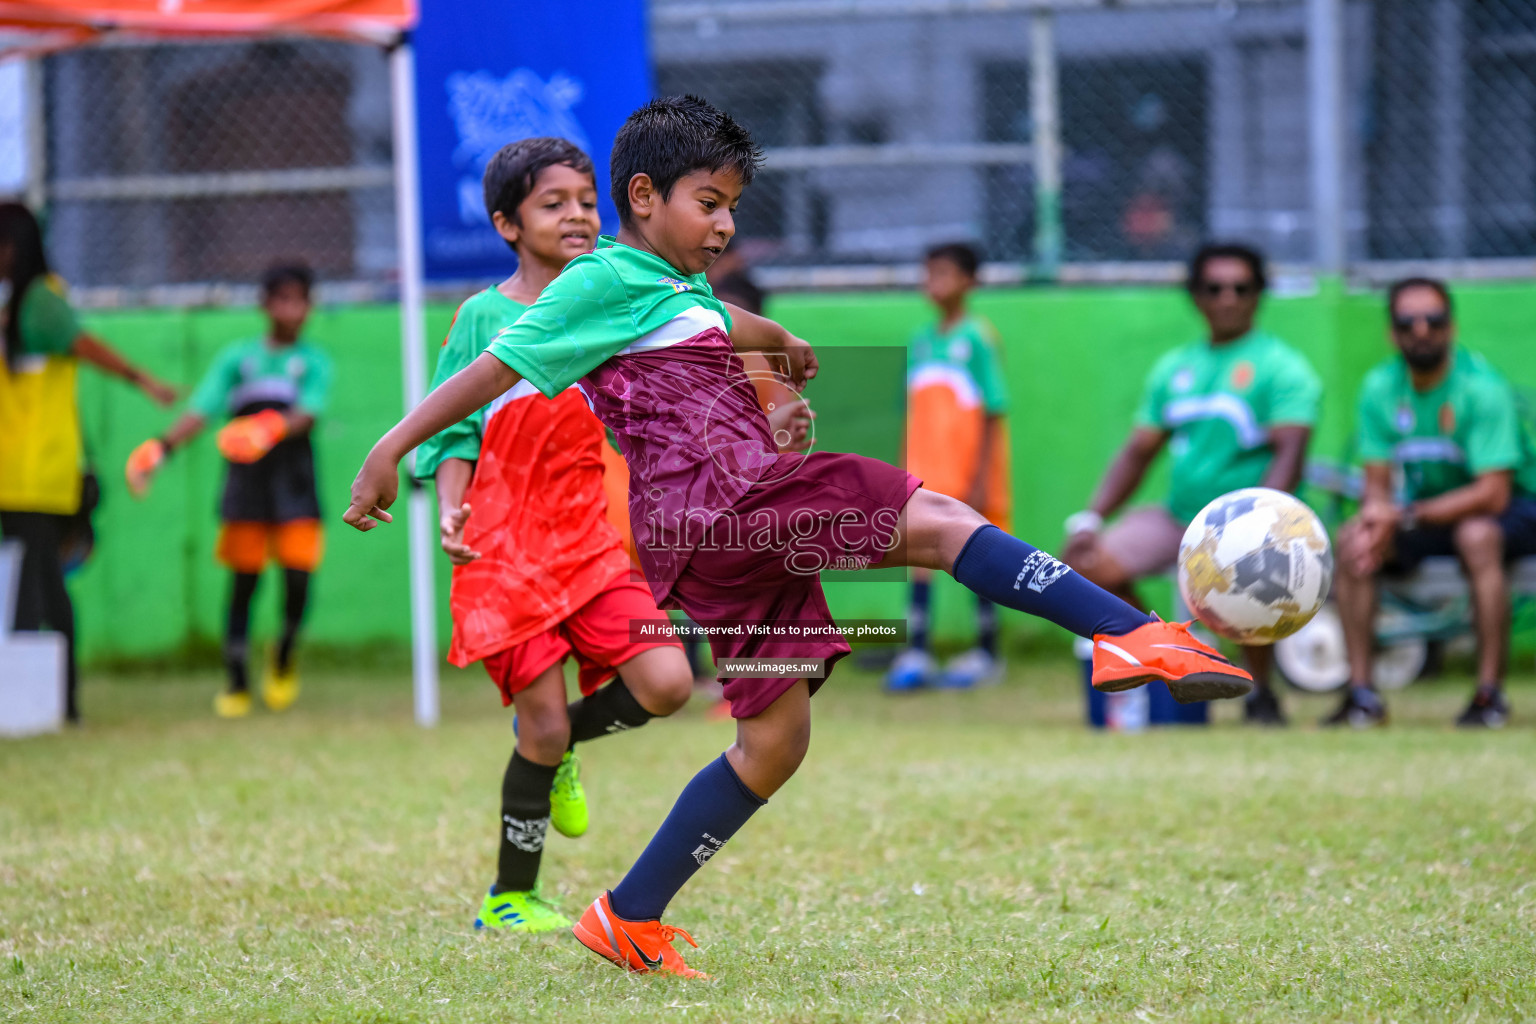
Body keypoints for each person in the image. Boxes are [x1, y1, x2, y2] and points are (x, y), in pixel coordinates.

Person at [342, 95, 1252, 978]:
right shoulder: (601, 278)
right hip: (727, 503)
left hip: (707, 532)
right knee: (939, 522)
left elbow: (720, 324)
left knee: (775, 745)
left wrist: (780, 345)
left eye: (733, 207)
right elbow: (499, 363)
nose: (726, 225)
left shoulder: (668, 285)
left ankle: (626, 916)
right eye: (710, 203)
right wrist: (393, 447)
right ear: (646, 198)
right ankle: (1130, 635)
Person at [415, 136, 697, 934]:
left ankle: (562, 740)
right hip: (503, 551)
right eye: (553, 203)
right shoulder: (483, 318)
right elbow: (455, 432)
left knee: (667, 683)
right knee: (535, 724)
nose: (576, 214)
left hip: (591, 545)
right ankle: (511, 896)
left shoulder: (616, 296)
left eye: (585, 200)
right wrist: (451, 508)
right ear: (508, 224)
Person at [1061, 243, 1321, 726]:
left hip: (1246, 518)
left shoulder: (1283, 368)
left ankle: (1260, 692)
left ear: (1259, 295)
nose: (1227, 298)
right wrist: (1090, 518)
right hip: (1179, 516)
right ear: (1196, 296)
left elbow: (1290, 453)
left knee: (1248, 576)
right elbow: (1139, 452)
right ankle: (1173, 655)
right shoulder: (1174, 368)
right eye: (1214, 287)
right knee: (1090, 562)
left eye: (1240, 288)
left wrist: (1263, 525)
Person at [125, 263, 331, 719]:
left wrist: (272, 425)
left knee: (297, 579)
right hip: (247, 487)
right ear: (265, 304)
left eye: (300, 300)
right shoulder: (238, 359)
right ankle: (236, 680)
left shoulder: (313, 361)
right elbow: (201, 410)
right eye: (282, 299)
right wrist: (160, 448)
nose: (291, 310)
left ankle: (283, 657)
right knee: (244, 583)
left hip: (295, 484)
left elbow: (309, 414)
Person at [1332, 278, 1536, 729]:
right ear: (1392, 332)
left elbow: (1493, 493)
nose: (1421, 330)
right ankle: (1362, 696)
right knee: (1353, 541)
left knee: (1477, 534)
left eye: (1434, 320)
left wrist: (1401, 515)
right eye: (1408, 321)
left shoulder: (1481, 389)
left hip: (1512, 512)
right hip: (1428, 514)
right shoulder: (1380, 389)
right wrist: (1375, 520)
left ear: (1452, 328)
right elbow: (1377, 485)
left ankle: (1489, 696)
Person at [0, 202, 177, 723]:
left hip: (33, 472)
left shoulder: (41, 302)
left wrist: (142, 379)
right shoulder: (20, 303)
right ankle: (51, 700)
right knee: (37, 583)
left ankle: (49, 701)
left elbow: (85, 346)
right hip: (18, 473)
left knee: (37, 587)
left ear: (15, 245)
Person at [887, 241, 1011, 691]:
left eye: (944, 273)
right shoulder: (922, 340)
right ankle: (916, 648)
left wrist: (980, 478)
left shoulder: (979, 338)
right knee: (916, 554)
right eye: (928, 272)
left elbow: (995, 411)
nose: (933, 282)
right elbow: (913, 411)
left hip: (968, 475)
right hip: (923, 473)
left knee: (977, 551)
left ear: (970, 281)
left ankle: (988, 650)